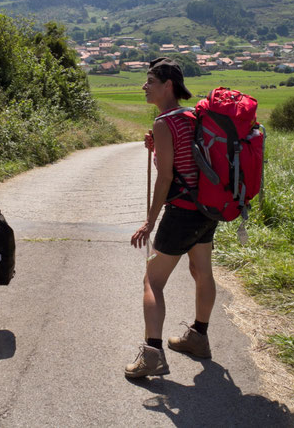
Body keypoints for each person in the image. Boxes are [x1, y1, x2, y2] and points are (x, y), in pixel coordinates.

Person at [126, 57, 218, 378]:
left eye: (150, 81)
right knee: (201, 270)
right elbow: (186, 160)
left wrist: (150, 221)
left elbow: (165, 178)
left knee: (153, 280)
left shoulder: (165, 123)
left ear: (168, 86)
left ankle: (152, 355)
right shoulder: (193, 116)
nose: (144, 86)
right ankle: (199, 337)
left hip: (181, 213)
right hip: (207, 209)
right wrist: (158, 147)